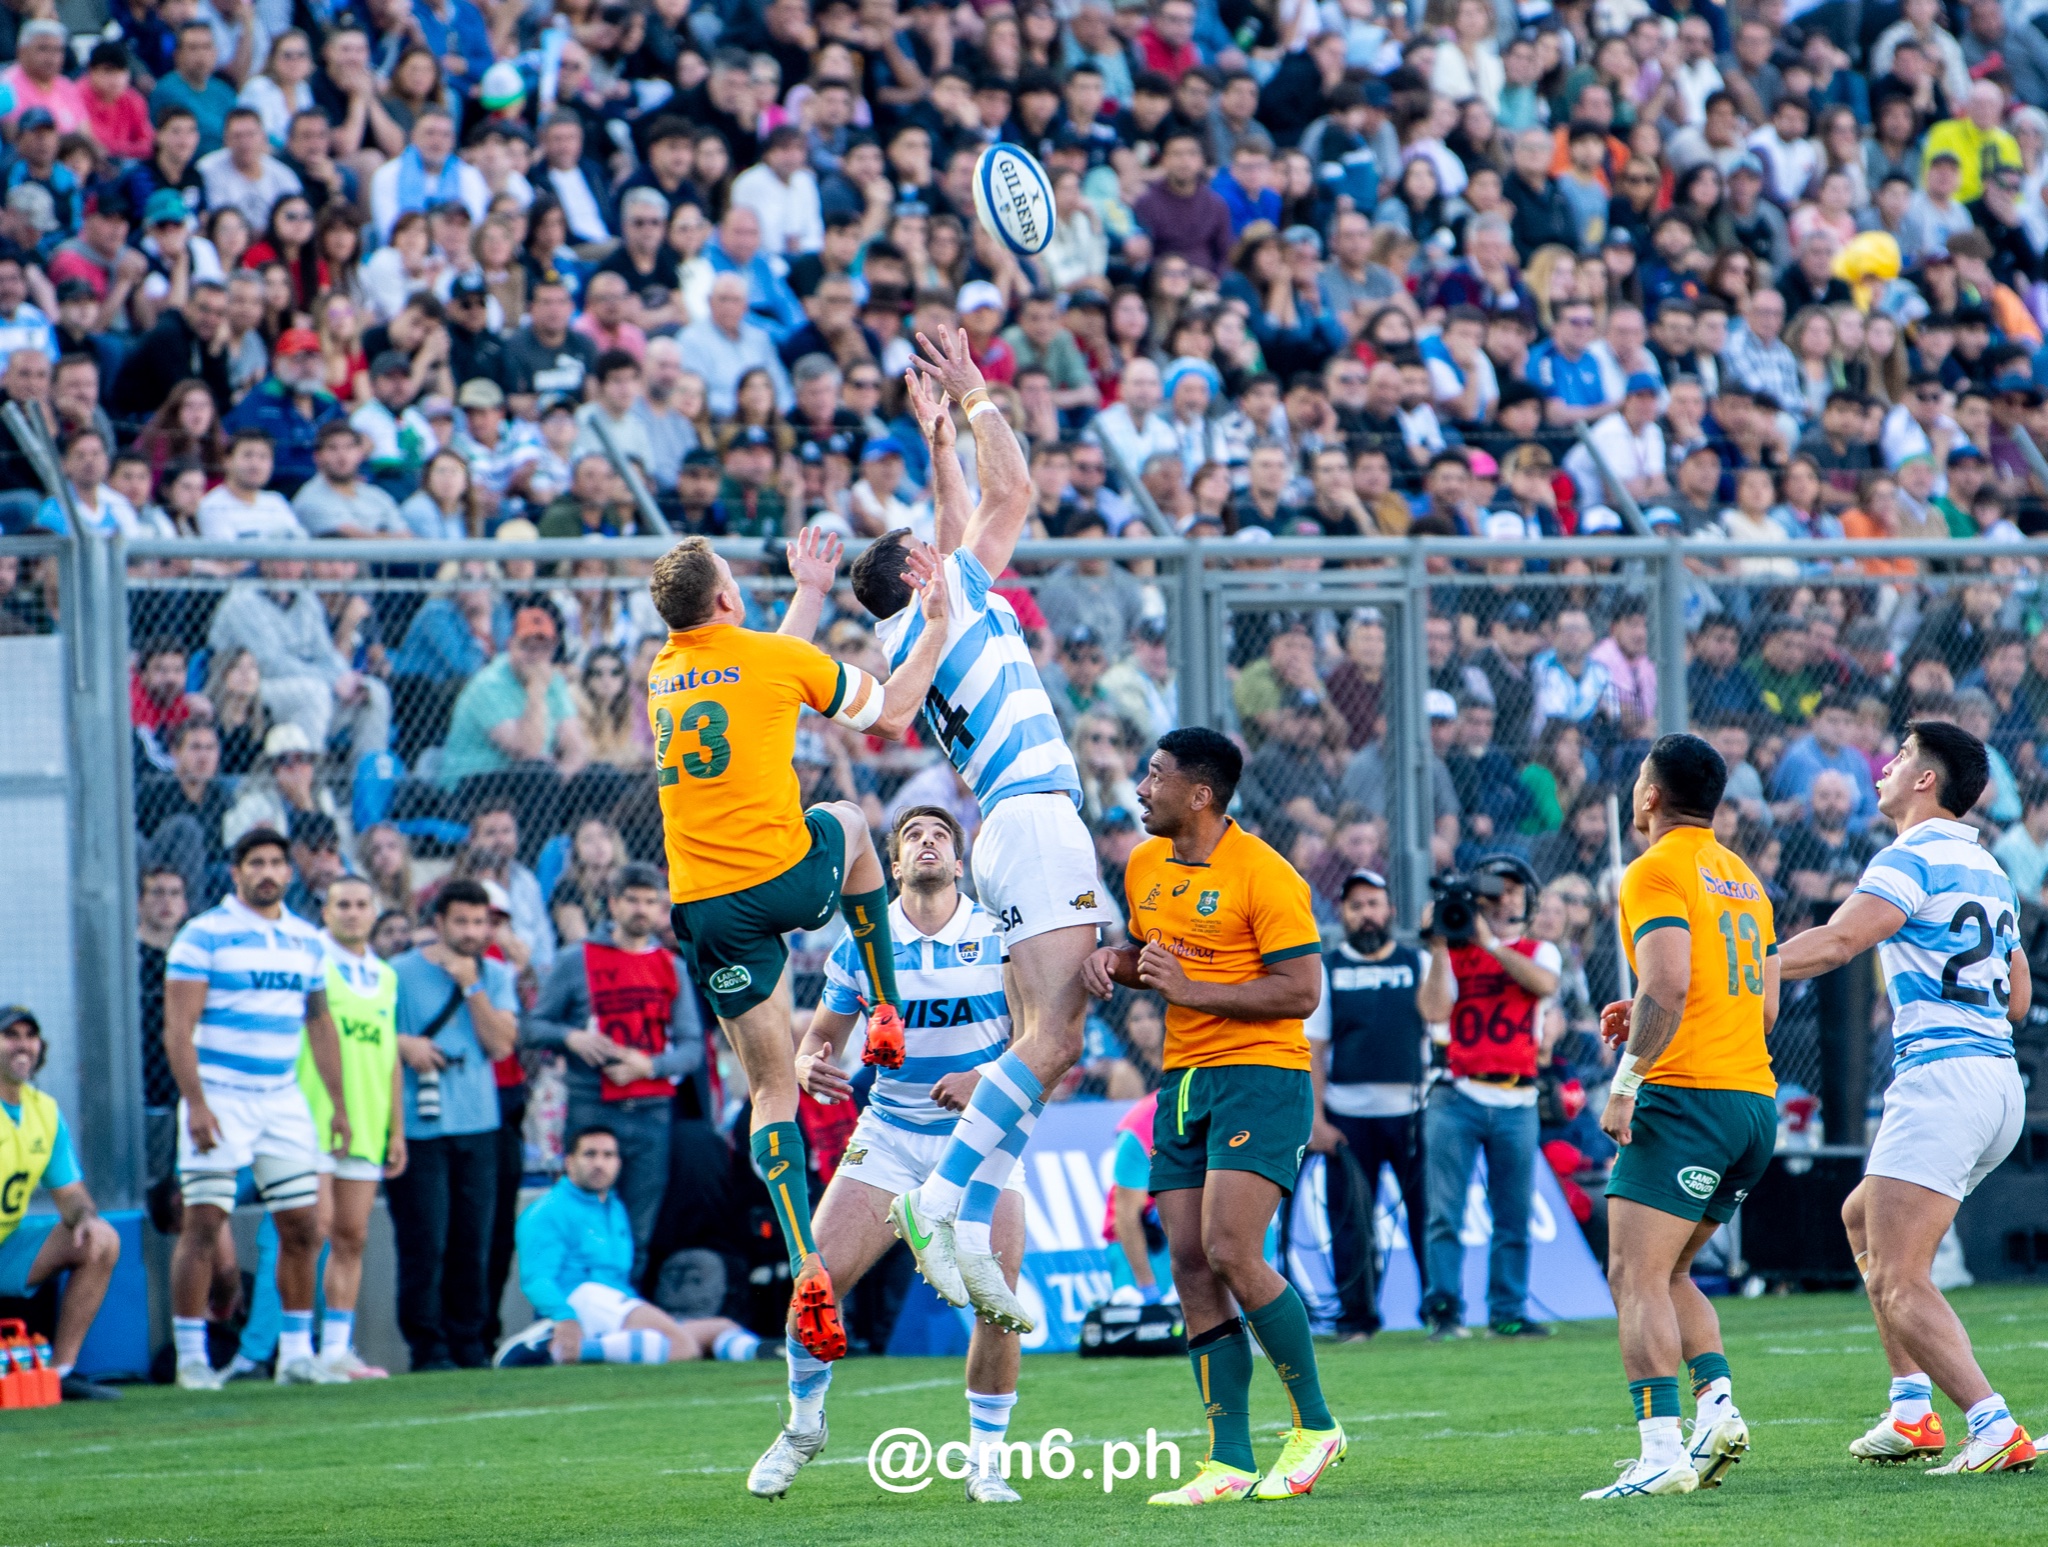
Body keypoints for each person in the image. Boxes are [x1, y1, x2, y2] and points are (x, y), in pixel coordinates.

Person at [852, 334, 1118, 1334]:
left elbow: (962, 510)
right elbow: (1010, 493)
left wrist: (935, 445)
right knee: (1057, 1036)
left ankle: (959, 1211)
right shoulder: (948, 598)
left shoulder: (921, 625)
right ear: (921, 566)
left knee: (1046, 1036)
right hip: (1033, 814)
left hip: (1011, 822)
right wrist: (974, 400)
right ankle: (940, 1197)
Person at [646, 525, 947, 1362]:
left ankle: (806, 1264)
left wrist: (811, 591)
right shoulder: (768, 659)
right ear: (727, 597)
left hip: (708, 909)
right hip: (781, 880)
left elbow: (762, 678)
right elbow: (892, 714)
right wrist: (936, 626)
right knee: (849, 821)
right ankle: (885, 1007)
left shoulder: (665, 669)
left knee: (771, 1090)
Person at [1082, 727, 1340, 1505]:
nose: (1140, 786)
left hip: (1262, 1077)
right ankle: (1228, 1460)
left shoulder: (1266, 873)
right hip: (1183, 1081)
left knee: (1231, 1248)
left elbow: (1301, 990)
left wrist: (1192, 990)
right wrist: (1114, 962)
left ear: (1199, 793)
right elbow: (1152, 957)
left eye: (1155, 775)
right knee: (1191, 1263)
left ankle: (1316, 1425)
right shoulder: (1143, 863)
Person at [1778, 720, 2038, 1475]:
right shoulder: (1988, 867)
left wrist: (1743, 968)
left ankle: (1991, 1424)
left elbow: (1837, 942)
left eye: (1898, 757)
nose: (1883, 768)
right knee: (1861, 1216)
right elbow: (2019, 997)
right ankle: (1910, 1410)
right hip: (1997, 1082)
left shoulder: (1909, 855)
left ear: (1926, 779)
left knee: (1898, 1276)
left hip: (1943, 1080)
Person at [754, 806, 1025, 1503]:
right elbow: (821, 1038)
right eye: (912, 836)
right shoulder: (862, 945)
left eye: (941, 835)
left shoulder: (1000, 936)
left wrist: (983, 1078)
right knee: (813, 1288)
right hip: (890, 1136)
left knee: (996, 1305)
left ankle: (985, 1463)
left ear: (959, 863)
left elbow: (1039, 1041)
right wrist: (811, 1064)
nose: (927, 841)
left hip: (984, 1142)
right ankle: (803, 1426)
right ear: (895, 866)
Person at [1584, 732, 1778, 1500]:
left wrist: (1627, 1080)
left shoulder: (1654, 868)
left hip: (1686, 1097)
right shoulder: (1744, 878)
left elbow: (1666, 982)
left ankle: (1661, 1450)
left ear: (1651, 794)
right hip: (1751, 1103)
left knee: (1632, 1273)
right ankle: (1716, 1409)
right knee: (1670, 1271)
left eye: (1639, 777)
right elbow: (1760, 1008)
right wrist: (1648, 1008)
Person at [163, 827, 352, 1390]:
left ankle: (295, 1354)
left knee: (303, 1227)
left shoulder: (306, 940)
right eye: (256, 863)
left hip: (283, 1099)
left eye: (275, 863)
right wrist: (196, 1103)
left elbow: (319, 1022)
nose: (267, 872)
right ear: (235, 872)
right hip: (220, 1096)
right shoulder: (203, 934)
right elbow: (177, 1027)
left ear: (290, 872)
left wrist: (339, 1106)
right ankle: (191, 1358)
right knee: (203, 1223)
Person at [521, 863, 703, 1276]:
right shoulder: (576, 959)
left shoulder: (671, 965)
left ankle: (621, 1310)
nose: (642, 910)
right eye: (632, 900)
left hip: (652, 1114)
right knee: (579, 1226)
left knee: (637, 1236)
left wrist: (649, 1065)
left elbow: (692, 1048)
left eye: (651, 902)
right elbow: (532, 1028)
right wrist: (572, 1038)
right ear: (613, 904)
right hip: (592, 1108)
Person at [1414, 852, 1560, 1341]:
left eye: (1513, 891)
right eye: (1496, 891)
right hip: (1457, 1093)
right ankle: (1445, 1310)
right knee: (1444, 1213)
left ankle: (1508, 1310)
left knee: (1512, 1215)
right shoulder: (1450, 951)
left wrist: (1490, 944)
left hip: (1517, 1097)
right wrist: (1439, 947)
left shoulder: (1539, 951)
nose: (1505, 899)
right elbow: (1433, 1010)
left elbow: (1543, 984)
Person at [496, 1125, 768, 1366]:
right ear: (569, 1162)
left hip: (615, 1305)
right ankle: (555, 1349)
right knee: (681, 1345)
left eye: (608, 1155)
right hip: (581, 1300)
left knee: (720, 1328)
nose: (599, 1163)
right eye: (590, 1154)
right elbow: (536, 1279)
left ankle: (770, 1353)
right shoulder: (547, 1211)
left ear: (619, 1162)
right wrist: (565, 1317)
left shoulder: (613, 1206)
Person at [386, 879, 519, 1372]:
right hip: (419, 1126)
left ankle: (469, 1343)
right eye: (461, 921)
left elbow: (501, 1044)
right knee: (425, 1242)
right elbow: (370, 1034)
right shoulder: (399, 972)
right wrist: (404, 1045)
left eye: (479, 922)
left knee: (473, 1241)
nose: (470, 932)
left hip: (479, 1122)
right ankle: (428, 1348)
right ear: (438, 922)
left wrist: (472, 986)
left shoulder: (494, 974)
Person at [1303, 868, 1429, 1336]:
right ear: (1342, 914)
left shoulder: (1419, 962)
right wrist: (1316, 1118)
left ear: (1390, 910)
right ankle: (1356, 1317)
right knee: (1350, 1221)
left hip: (1412, 1113)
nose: (1366, 914)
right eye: (1355, 906)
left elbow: (1440, 1021)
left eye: (1373, 903)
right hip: (1348, 1118)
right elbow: (1315, 1048)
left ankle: (1439, 1310)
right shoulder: (1328, 968)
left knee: (1427, 1217)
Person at [298, 875, 403, 1380]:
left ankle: (337, 1349)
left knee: (352, 1236)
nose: (353, 913)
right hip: (313, 1115)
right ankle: (295, 1348)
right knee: (310, 1231)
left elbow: (391, 1055)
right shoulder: (311, 964)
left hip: (367, 1120)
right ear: (326, 912)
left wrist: (396, 1130)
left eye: (362, 904)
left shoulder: (385, 975)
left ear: (375, 912)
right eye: (343, 904)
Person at [0, 1005, 124, 1401]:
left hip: (6, 1246)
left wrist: (84, 1217)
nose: (23, 1045)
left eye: (30, 1036)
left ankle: (60, 1373)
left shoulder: (44, 1111)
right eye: (10, 1036)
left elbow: (70, 1193)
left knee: (101, 1238)